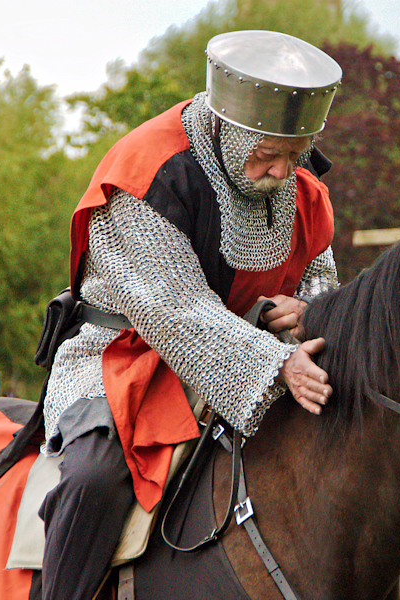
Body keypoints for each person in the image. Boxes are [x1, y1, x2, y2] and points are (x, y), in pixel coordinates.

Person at [38, 31, 343, 599]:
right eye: (266, 155)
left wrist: (309, 312)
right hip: (124, 360)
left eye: (293, 155)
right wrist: (276, 362)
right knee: (94, 480)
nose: (282, 172)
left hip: (256, 361)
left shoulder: (300, 187)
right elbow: (172, 309)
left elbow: (320, 280)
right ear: (231, 132)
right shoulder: (145, 170)